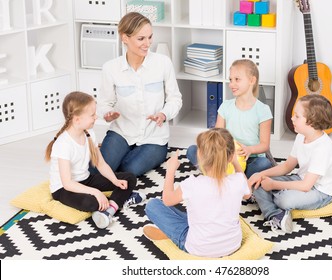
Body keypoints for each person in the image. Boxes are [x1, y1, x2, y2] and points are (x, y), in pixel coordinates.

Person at [93, 12, 182, 177]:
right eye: (141, 39)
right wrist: (107, 114)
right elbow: (104, 103)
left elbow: (175, 99)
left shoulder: (163, 63)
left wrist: (164, 114)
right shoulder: (110, 68)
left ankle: (111, 162)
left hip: (154, 137)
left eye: (150, 37)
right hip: (122, 132)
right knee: (99, 171)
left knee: (129, 171)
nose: (147, 43)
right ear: (125, 38)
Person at [144, 128, 251, 258]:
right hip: (232, 245)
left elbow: (167, 200)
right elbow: (247, 194)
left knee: (153, 205)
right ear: (230, 156)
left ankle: (172, 237)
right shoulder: (238, 180)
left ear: (199, 155)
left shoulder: (192, 184)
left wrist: (170, 170)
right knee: (198, 215)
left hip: (198, 248)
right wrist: (235, 163)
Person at [45, 91, 146, 229]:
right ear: (77, 119)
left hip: (85, 180)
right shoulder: (63, 144)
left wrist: (115, 181)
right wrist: (96, 192)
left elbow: (100, 163)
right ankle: (119, 200)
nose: (96, 117)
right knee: (92, 202)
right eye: (92, 115)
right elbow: (68, 183)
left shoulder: (89, 133)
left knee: (128, 178)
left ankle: (109, 210)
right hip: (63, 189)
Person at [248, 95, 332, 233]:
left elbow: (306, 186)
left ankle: (269, 204)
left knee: (284, 200)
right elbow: (287, 167)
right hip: (301, 179)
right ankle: (276, 215)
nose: (292, 118)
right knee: (260, 182)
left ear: (312, 121)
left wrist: (274, 185)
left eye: (297, 116)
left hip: (321, 191)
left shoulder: (323, 148)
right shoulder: (301, 136)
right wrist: (259, 174)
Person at [186, 59, 273, 178]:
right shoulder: (225, 106)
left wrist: (249, 150)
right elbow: (217, 135)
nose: (231, 84)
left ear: (252, 80)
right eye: (230, 80)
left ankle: (223, 175)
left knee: (264, 164)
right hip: (225, 156)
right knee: (192, 150)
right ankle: (232, 176)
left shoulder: (263, 110)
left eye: (237, 79)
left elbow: (264, 145)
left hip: (249, 158)